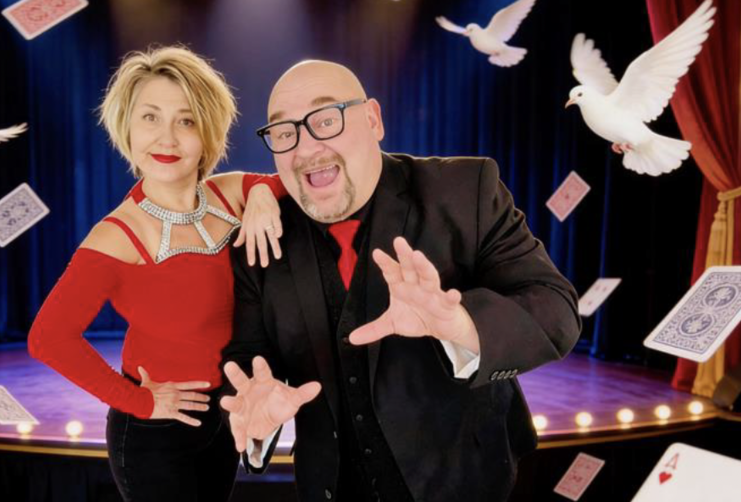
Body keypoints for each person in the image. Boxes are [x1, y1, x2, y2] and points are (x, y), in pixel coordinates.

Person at [220, 60, 582, 501]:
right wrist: (259, 422)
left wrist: (462, 326)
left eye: (326, 120)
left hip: (470, 481)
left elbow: (556, 308)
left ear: (373, 119)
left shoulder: (464, 190)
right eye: (283, 132)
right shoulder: (258, 242)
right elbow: (247, 363)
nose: (305, 148)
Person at [27, 46, 286, 502]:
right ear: (126, 127)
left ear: (208, 133)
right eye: (150, 117)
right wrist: (139, 402)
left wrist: (263, 193)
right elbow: (48, 338)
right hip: (152, 434)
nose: (167, 138)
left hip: (224, 416)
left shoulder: (233, 194)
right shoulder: (114, 237)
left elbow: (295, 184)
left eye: (186, 121)